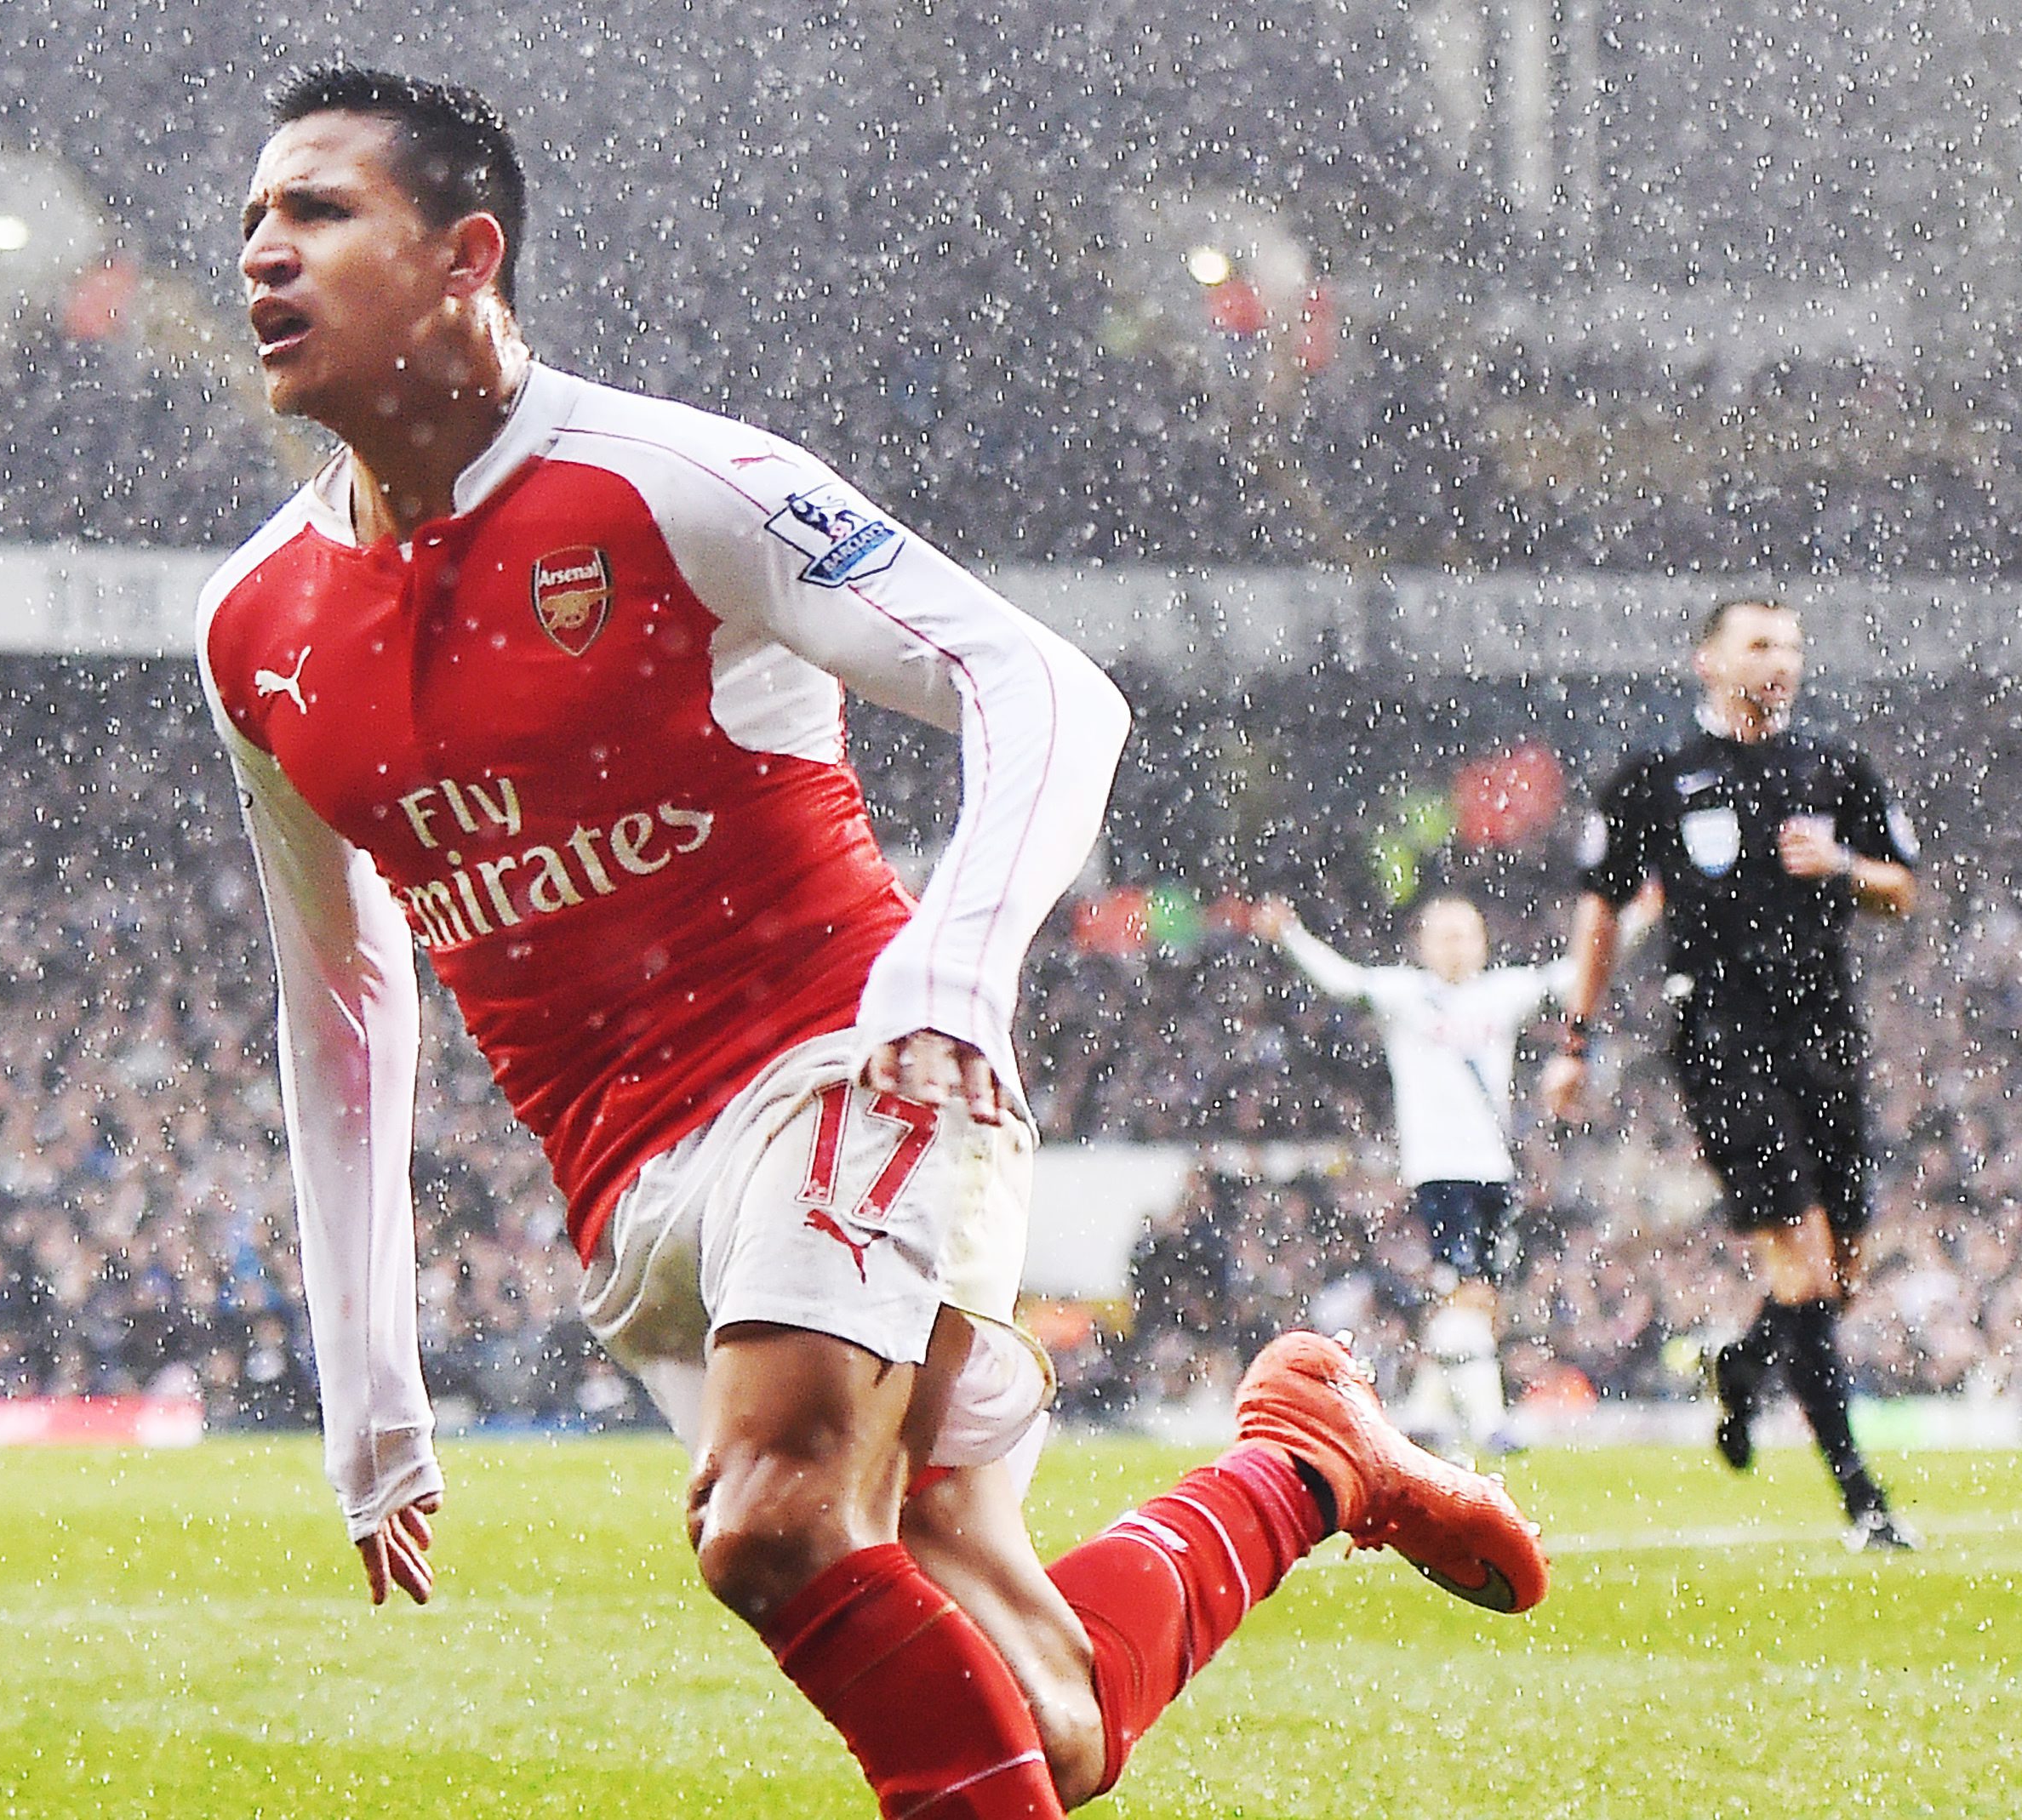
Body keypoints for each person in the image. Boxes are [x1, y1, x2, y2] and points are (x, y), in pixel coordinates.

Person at [201, 67, 1547, 1816]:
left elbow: (1042, 683)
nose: (264, 252)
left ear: (469, 257)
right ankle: (1306, 1460)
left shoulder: (671, 482)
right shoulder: (254, 624)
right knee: (1050, 1713)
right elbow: (341, 1007)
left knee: (771, 1519)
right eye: (253, 220)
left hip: (846, 1063)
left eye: (318, 212)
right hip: (631, 1193)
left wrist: (951, 965)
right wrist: (370, 1385)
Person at [1540, 597, 1919, 1551]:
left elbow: (1901, 887)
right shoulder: (1657, 777)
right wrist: (1575, 1038)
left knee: (1838, 1272)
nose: (1777, 661)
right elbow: (1600, 909)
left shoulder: (1833, 768)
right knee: (1799, 1262)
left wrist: (1841, 864)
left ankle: (1744, 1367)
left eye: (1789, 645)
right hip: (1721, 1035)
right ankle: (1863, 1502)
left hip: (1823, 1033)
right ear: (1707, 660)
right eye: (1757, 644)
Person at [1253, 892, 1580, 1458]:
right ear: (1423, 944)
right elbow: (1343, 981)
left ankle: (1425, 1414)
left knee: (1479, 1299)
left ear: (1483, 942)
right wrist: (1291, 935)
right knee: (1465, 1290)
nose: (1458, 946)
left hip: (1493, 1169)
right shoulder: (1404, 994)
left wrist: (1636, 918)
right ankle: (1488, 1421)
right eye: (1446, 935)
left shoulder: (1502, 993)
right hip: (1440, 1169)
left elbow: (1577, 970)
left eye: (1467, 934)